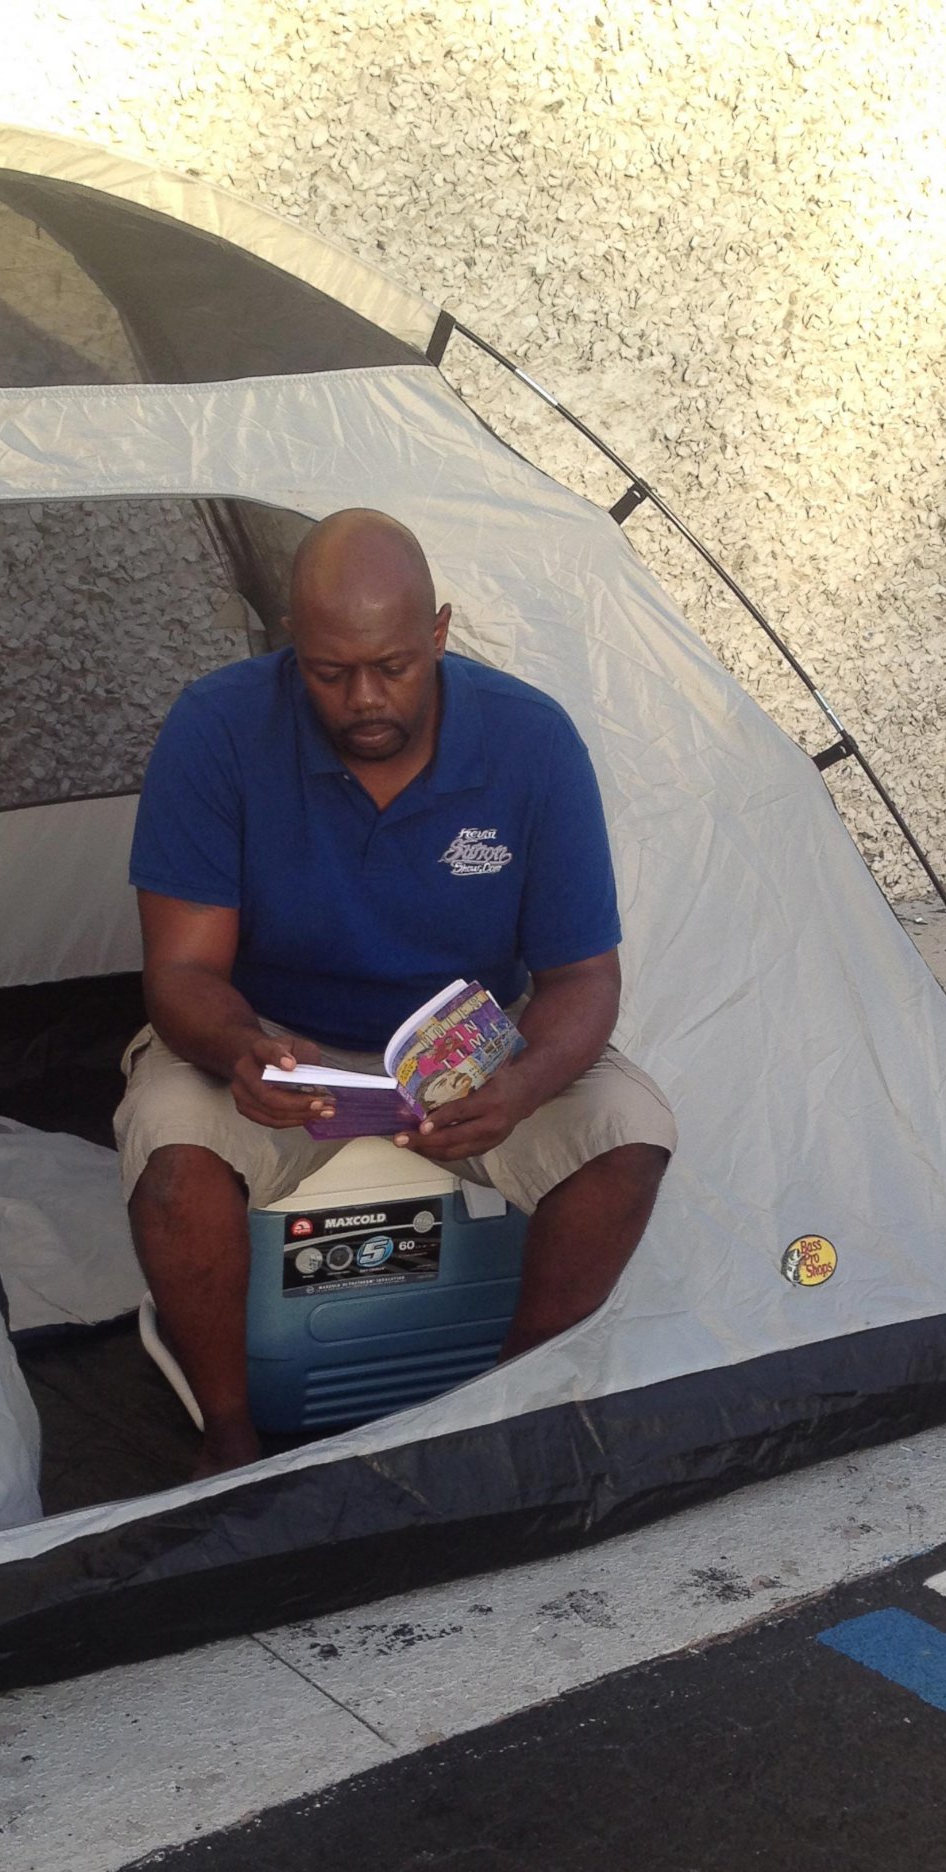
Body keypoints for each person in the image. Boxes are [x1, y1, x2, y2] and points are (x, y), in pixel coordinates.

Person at [116, 507, 676, 1474]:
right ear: (293, 648)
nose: (364, 698)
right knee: (174, 1162)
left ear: (440, 634)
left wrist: (526, 1083)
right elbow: (182, 972)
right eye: (331, 674)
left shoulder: (531, 742)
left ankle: (510, 1403)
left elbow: (583, 978)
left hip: (467, 1056)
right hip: (276, 1040)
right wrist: (242, 1050)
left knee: (628, 1135)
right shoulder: (218, 726)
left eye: (394, 666)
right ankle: (232, 1433)